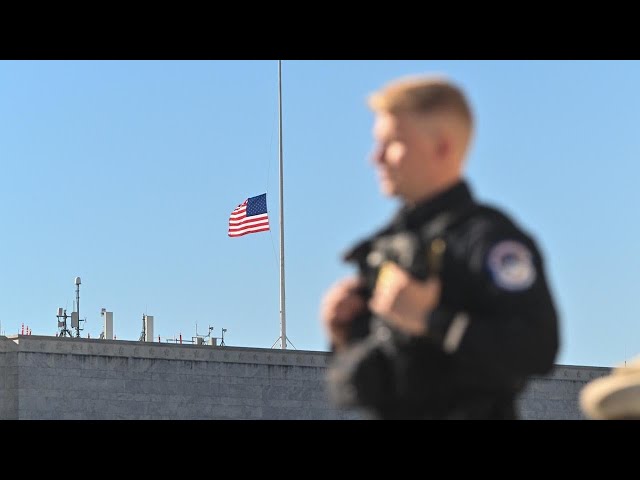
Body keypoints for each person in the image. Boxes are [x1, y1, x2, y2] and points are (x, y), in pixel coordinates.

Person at [320, 75, 559, 419]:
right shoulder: (384, 249)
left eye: (393, 143)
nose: (376, 158)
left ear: (442, 148)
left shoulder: (488, 241)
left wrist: (432, 320)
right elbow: (359, 393)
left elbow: (537, 348)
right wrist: (341, 337)